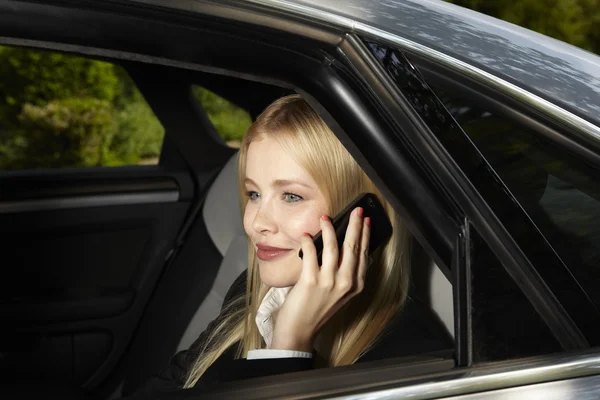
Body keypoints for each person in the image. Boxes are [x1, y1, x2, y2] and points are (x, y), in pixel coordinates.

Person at [136, 94, 449, 394]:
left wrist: (289, 344)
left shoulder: (410, 364)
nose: (256, 223)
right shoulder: (251, 292)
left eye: (291, 196)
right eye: (254, 194)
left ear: (360, 214)